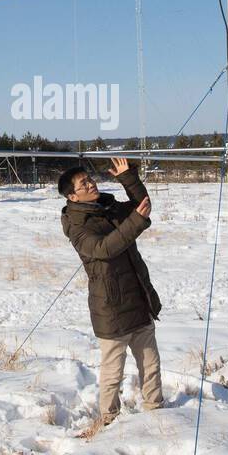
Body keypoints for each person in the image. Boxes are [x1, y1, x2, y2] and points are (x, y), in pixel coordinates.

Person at [59, 157, 164, 426]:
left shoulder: (107, 206)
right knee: (112, 372)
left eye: (90, 179)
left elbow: (142, 207)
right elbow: (103, 249)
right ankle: (109, 420)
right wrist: (136, 221)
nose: (91, 184)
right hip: (112, 306)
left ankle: (157, 412)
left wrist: (128, 178)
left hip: (137, 297)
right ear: (73, 195)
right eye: (84, 183)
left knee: (151, 365)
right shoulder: (76, 225)